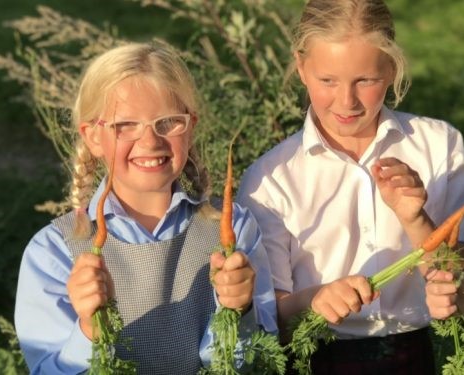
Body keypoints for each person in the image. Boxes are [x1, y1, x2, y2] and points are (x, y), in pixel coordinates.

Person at [237, 0, 464, 372]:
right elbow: (268, 316)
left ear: (391, 68)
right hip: (316, 357)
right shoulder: (270, 179)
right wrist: (315, 300)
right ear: (302, 68)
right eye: (328, 80)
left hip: (416, 356)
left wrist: (416, 221)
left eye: (365, 80)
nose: (346, 101)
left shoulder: (439, 146)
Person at [14, 42, 277, 374]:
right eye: (125, 125)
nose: (151, 141)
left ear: (191, 126)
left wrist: (240, 311)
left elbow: (260, 362)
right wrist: (89, 331)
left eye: (168, 122)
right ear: (93, 137)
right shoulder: (54, 251)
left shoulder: (234, 230)